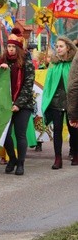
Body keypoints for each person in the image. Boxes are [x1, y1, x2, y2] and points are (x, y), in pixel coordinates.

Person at [0, 32, 36, 175]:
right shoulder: (3, 62)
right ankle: (12, 159)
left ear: (18, 49)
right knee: (5, 134)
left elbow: (28, 85)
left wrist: (18, 104)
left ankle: (21, 163)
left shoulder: (26, 63)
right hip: (6, 103)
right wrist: (1, 71)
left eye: (13, 47)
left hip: (23, 104)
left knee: (20, 134)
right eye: (8, 46)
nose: (11, 49)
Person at [41, 36, 78, 169]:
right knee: (57, 130)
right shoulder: (53, 63)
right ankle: (58, 158)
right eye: (56, 46)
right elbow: (48, 84)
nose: (58, 49)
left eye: (61, 46)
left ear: (68, 47)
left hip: (71, 102)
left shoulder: (74, 62)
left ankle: (75, 153)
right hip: (56, 102)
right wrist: (47, 100)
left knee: (73, 130)